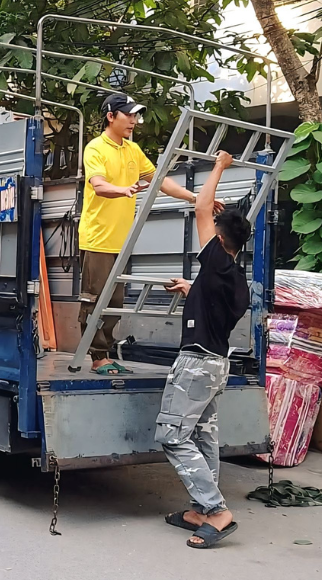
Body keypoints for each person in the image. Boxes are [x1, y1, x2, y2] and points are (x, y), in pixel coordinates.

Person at [77, 93, 221, 375]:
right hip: (98, 237)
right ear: (111, 116)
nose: (133, 120)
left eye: (135, 115)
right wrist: (124, 190)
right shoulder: (95, 148)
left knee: (116, 302)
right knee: (96, 299)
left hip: (122, 239)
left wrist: (195, 198)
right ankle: (97, 357)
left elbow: (159, 181)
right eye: (128, 114)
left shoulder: (132, 150)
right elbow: (98, 184)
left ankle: (103, 354)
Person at [156, 149, 251, 549]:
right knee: (203, 437)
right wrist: (191, 290)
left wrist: (219, 167)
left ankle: (216, 510)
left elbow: (201, 205)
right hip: (216, 365)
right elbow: (214, 303)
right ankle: (200, 507)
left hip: (195, 365)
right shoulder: (235, 279)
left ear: (220, 237)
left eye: (213, 227)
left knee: (174, 436)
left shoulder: (215, 260)